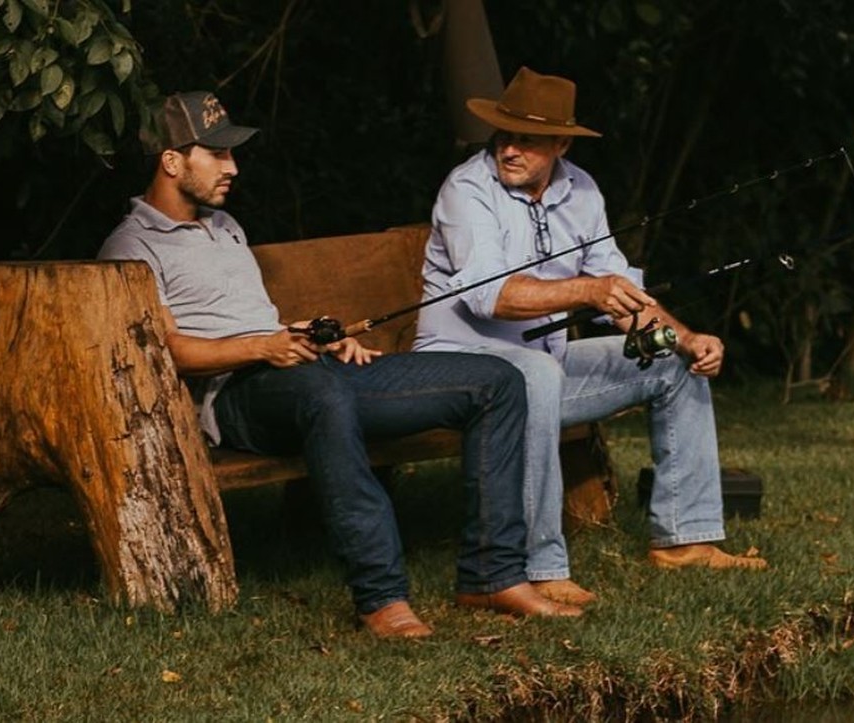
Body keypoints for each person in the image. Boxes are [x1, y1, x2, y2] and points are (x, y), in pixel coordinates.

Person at [98, 90, 585, 639]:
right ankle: (381, 596)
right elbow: (168, 350)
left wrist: (312, 336)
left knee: (497, 381)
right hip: (236, 398)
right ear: (172, 161)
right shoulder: (130, 247)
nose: (233, 167)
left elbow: (255, 322)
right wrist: (263, 348)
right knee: (323, 397)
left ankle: (492, 575)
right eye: (219, 155)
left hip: (297, 369)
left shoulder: (224, 225)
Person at [413, 67, 768, 587]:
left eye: (527, 141)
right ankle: (540, 567)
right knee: (534, 374)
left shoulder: (581, 191)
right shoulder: (467, 189)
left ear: (560, 144)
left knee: (673, 361)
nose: (509, 150)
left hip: (545, 368)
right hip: (456, 371)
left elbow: (616, 288)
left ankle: (686, 537)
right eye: (504, 136)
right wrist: (587, 289)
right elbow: (490, 295)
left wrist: (688, 338)